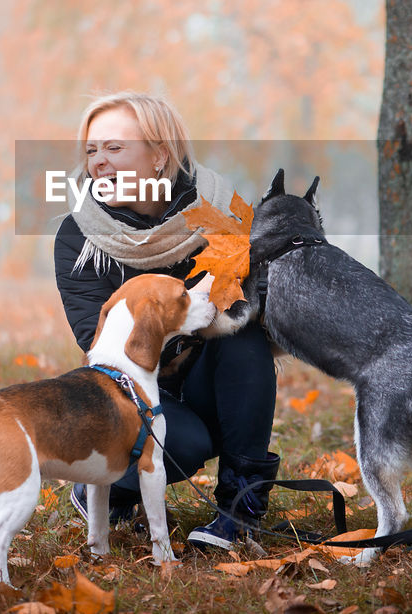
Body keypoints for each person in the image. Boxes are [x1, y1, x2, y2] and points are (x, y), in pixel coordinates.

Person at [53, 91, 278, 552]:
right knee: (185, 442)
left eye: (114, 147)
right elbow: (94, 340)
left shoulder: (222, 214)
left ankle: (241, 510)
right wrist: (187, 317)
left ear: (160, 156)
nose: (98, 161)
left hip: (207, 380)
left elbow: (249, 301)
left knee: (244, 335)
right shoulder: (79, 235)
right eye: (92, 150)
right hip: (129, 386)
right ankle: (108, 488)